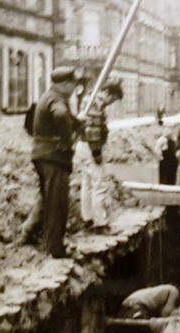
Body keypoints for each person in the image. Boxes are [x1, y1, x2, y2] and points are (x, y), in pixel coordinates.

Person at [22, 66, 83, 257]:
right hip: (53, 158)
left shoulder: (50, 96)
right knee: (57, 205)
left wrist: (78, 123)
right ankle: (54, 249)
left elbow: (66, 117)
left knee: (46, 199)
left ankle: (28, 232)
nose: (75, 89)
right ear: (65, 84)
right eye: (73, 85)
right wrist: (67, 142)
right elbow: (60, 115)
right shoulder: (56, 100)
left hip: (42, 155)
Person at [75, 78, 124, 230]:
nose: (111, 103)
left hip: (83, 146)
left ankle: (87, 218)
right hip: (90, 147)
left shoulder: (89, 99)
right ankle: (101, 223)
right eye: (113, 99)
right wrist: (97, 152)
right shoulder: (96, 103)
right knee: (98, 185)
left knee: (87, 184)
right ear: (108, 93)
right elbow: (92, 130)